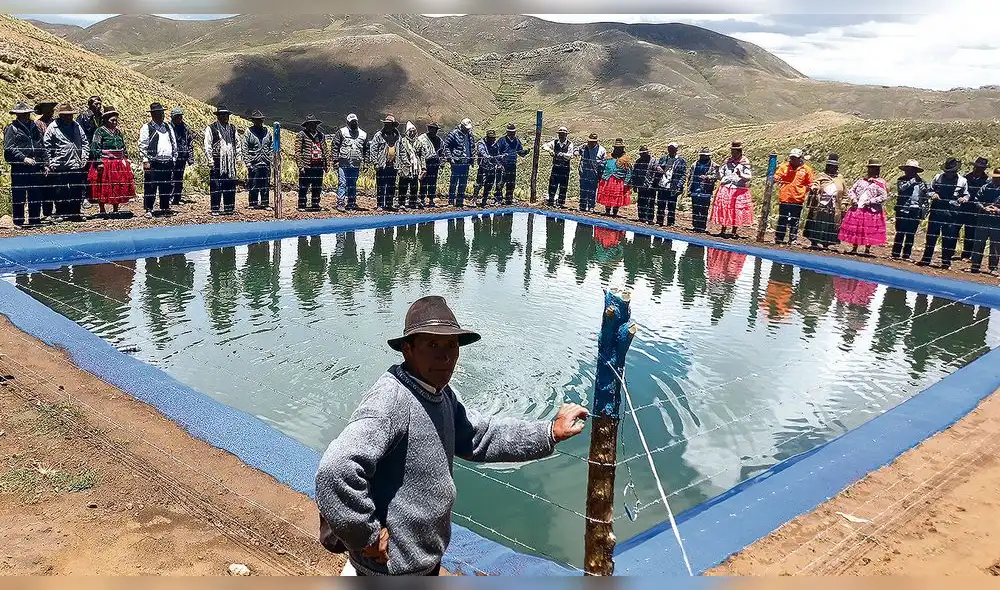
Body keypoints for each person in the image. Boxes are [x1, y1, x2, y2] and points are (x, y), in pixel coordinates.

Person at [315, 296, 588, 576]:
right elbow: (336, 468)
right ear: (408, 350)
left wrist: (549, 432)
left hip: (423, 562)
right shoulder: (392, 400)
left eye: (451, 345)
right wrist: (366, 537)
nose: (445, 356)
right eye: (432, 345)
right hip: (390, 570)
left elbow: (481, 435)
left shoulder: (442, 394)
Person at [918, 158, 969, 269]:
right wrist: (933, 194)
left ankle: (946, 262)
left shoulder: (962, 181)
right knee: (931, 236)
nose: (949, 173)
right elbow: (929, 190)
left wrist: (964, 199)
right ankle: (926, 259)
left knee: (949, 237)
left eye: (951, 171)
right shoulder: (938, 177)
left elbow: (966, 194)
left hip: (952, 212)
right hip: (937, 210)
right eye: (947, 171)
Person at [43, 102, 89, 221]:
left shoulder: (76, 126)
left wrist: (84, 157)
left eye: (70, 115)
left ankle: (75, 213)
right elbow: (46, 146)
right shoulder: (53, 127)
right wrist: (50, 162)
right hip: (59, 163)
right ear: (61, 115)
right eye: (67, 115)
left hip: (76, 162)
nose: (69, 117)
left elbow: (85, 142)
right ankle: (61, 213)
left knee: (76, 189)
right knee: (60, 189)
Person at [4, 100, 47, 228]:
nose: (26, 116)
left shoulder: (34, 127)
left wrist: (45, 163)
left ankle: (35, 220)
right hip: (19, 167)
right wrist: (23, 158)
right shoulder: (12, 128)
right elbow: (9, 147)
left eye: (27, 113)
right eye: (23, 114)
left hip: (35, 165)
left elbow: (41, 145)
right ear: (17, 115)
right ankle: (18, 221)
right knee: (19, 194)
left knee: (36, 193)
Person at [87, 105, 135, 217]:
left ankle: (115, 208)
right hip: (105, 162)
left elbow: (123, 146)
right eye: (112, 120)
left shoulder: (118, 132)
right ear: (106, 120)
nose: (114, 122)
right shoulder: (99, 132)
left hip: (118, 163)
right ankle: (102, 209)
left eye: (116, 120)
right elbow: (95, 146)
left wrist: (126, 159)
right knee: (102, 184)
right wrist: (99, 161)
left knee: (117, 184)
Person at [839, 158, 889, 256]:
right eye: (871, 168)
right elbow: (851, 191)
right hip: (858, 208)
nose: (873, 170)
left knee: (869, 229)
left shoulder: (880, 183)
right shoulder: (861, 181)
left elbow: (883, 196)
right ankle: (854, 248)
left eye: (875, 168)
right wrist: (854, 199)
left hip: (871, 210)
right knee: (857, 229)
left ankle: (867, 249)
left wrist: (871, 202)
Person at [139, 102, 178, 218]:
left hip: (167, 161)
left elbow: (173, 142)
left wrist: (174, 157)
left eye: (162, 113)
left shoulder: (168, 127)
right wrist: (145, 160)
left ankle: (164, 207)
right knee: (151, 186)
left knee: (166, 185)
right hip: (153, 162)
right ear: (153, 115)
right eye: (158, 113)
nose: (161, 115)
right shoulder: (147, 128)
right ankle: (149, 209)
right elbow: (142, 145)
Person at [710, 141, 754, 238]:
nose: (732, 154)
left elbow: (749, 177)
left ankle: (734, 231)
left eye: (734, 152)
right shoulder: (727, 162)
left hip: (738, 189)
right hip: (726, 188)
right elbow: (721, 176)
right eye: (732, 151)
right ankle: (723, 229)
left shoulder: (744, 162)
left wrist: (741, 175)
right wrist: (717, 171)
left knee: (736, 210)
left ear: (739, 152)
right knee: (725, 208)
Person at [204, 107, 242, 216]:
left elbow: (237, 143)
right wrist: (210, 159)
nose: (225, 117)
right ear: (218, 116)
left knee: (230, 184)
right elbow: (207, 145)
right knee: (216, 185)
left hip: (230, 161)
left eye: (226, 115)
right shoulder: (211, 128)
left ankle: (229, 208)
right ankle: (215, 208)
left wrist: (238, 157)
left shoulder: (232, 128)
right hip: (216, 161)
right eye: (223, 115)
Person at [803, 154, 845, 250]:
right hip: (821, 204)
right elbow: (815, 183)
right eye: (831, 166)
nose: (833, 168)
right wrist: (815, 187)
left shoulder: (840, 179)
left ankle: (826, 243)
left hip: (834, 206)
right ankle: (815, 242)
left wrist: (844, 204)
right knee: (818, 223)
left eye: (835, 167)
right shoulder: (821, 176)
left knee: (830, 224)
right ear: (827, 166)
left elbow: (845, 193)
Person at [773, 148, 814, 244]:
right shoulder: (784, 167)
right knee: (782, 218)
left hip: (797, 199)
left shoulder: (806, 170)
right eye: (791, 158)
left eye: (795, 158)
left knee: (795, 220)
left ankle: (793, 239)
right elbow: (777, 176)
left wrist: (803, 191)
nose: (792, 160)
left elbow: (811, 183)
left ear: (800, 158)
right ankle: (779, 238)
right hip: (785, 197)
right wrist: (777, 180)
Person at [891, 159, 929, 260]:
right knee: (900, 232)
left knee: (911, 234)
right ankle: (895, 253)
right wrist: (911, 182)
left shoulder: (922, 182)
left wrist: (924, 209)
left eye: (912, 169)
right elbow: (901, 189)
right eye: (908, 169)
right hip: (903, 209)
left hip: (915, 210)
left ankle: (906, 255)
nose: (909, 171)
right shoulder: (901, 179)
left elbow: (926, 195)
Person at [332, 113, 367, 212]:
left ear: (357, 122)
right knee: (342, 183)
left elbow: (366, 150)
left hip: (356, 164)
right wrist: (335, 160)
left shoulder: (363, 134)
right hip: (343, 163)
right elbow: (335, 146)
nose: (353, 123)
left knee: (353, 184)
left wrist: (366, 163)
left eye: (355, 122)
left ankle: (351, 203)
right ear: (347, 123)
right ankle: (340, 203)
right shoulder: (341, 132)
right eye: (351, 122)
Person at [970, 168, 1000, 274]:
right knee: (978, 243)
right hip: (983, 219)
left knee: (995, 245)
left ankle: (993, 268)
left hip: (997, 222)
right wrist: (983, 208)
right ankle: (975, 265)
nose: (996, 179)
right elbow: (976, 200)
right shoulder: (985, 187)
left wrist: (998, 210)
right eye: (995, 177)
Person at [296, 114, 328, 212]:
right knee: (303, 187)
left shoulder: (321, 135)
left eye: (314, 124)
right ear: (307, 125)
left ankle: (315, 204)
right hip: (306, 165)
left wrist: (326, 164)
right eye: (310, 124)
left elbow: (325, 149)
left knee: (317, 186)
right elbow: (298, 151)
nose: (313, 125)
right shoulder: (301, 135)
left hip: (318, 165)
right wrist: (300, 165)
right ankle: (302, 205)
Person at [242, 109, 273, 210]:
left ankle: (265, 203)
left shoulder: (268, 131)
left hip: (265, 162)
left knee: (265, 184)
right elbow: (244, 147)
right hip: (254, 162)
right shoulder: (248, 132)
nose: (258, 121)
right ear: (253, 121)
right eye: (256, 120)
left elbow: (271, 146)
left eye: (260, 120)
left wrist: (270, 159)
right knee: (253, 184)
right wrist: (247, 162)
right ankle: (253, 203)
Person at [959, 157, 989, 260]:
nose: (978, 169)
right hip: (963, 207)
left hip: (976, 209)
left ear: (984, 169)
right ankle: (950, 252)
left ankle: (967, 254)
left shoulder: (986, 181)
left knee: (971, 232)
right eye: (977, 167)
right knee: (955, 229)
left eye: (981, 167)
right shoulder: (966, 178)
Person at [370, 114, 401, 211]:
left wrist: (402, 163)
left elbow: (401, 150)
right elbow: (373, 149)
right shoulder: (378, 135)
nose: (387, 126)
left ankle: (389, 204)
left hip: (393, 165)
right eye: (386, 124)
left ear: (393, 126)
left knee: (391, 186)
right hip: (382, 165)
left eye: (389, 124)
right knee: (381, 185)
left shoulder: (397, 137)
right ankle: (380, 204)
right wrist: (375, 162)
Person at [76, 95, 102, 207]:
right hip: (86, 148)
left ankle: (95, 195)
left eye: (100, 103)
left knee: (97, 172)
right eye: (96, 104)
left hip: (98, 148)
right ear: (90, 105)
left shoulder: (101, 116)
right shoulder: (83, 117)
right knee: (85, 173)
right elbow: (79, 133)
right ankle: (84, 198)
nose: (99, 106)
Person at [652, 142, 687, 226]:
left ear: (676, 150)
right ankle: (659, 221)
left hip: (673, 186)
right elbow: (656, 166)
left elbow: (683, 174)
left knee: (672, 205)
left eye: (673, 149)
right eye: (670, 148)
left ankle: (670, 223)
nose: (671, 150)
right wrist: (658, 168)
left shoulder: (681, 161)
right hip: (662, 184)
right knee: (661, 204)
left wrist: (679, 185)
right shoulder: (663, 158)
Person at [495, 123, 530, 205]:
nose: (512, 134)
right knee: (500, 182)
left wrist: (525, 152)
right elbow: (496, 153)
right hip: (502, 165)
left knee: (511, 183)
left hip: (512, 165)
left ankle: (509, 199)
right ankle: (498, 198)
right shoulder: (502, 140)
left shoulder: (517, 141)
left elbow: (520, 152)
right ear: (507, 132)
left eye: (513, 132)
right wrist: (499, 164)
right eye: (510, 132)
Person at [34, 100, 57, 220]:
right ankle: (47, 212)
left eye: (51, 109)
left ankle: (56, 210)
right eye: (47, 109)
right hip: (44, 156)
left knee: (56, 186)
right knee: (46, 186)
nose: (50, 112)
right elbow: (39, 142)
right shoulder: (38, 124)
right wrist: (44, 162)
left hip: (56, 156)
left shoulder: (55, 122)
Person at [596, 138, 631, 217]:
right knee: (607, 195)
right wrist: (601, 176)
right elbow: (602, 167)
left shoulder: (625, 159)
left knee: (617, 196)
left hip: (619, 180)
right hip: (607, 179)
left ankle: (615, 212)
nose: (617, 149)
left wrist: (626, 182)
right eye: (616, 148)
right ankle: (607, 211)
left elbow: (629, 172)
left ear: (622, 148)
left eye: (619, 148)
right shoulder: (609, 157)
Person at [168, 107, 196, 206]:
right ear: (173, 117)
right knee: (171, 177)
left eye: (180, 116)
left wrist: (190, 158)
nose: (179, 118)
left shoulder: (185, 128)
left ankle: (177, 198)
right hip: (172, 157)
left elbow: (190, 143)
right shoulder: (168, 128)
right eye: (177, 116)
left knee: (179, 178)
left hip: (182, 157)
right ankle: (169, 198)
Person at [541, 126, 574, 208]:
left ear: (566, 135)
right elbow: (544, 146)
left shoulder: (570, 144)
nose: (561, 135)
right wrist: (550, 150)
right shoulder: (555, 142)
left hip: (565, 168)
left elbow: (570, 155)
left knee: (563, 185)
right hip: (555, 167)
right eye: (560, 134)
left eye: (563, 134)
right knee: (552, 184)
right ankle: (551, 201)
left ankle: (561, 203)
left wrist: (561, 155)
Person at [445, 118, 475, 207]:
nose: (467, 130)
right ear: (462, 126)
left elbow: (472, 146)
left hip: (466, 162)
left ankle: (460, 201)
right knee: (453, 182)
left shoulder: (470, 134)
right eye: (466, 128)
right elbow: (447, 146)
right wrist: (450, 158)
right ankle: (451, 201)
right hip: (457, 161)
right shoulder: (454, 134)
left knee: (463, 183)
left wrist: (472, 158)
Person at [688, 147, 717, 233]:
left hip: (706, 191)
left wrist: (708, 177)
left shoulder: (714, 165)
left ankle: (702, 227)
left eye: (705, 155)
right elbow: (690, 177)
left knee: (704, 209)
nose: (703, 157)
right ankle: (695, 226)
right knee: (695, 208)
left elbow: (716, 176)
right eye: (702, 155)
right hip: (695, 189)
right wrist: (689, 188)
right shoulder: (694, 165)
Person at [415, 122, 444, 208]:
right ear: (428, 129)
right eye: (431, 129)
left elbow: (442, 152)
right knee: (423, 181)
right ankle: (422, 199)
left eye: (435, 129)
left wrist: (442, 162)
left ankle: (431, 199)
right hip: (425, 162)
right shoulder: (422, 138)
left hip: (434, 163)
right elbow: (417, 151)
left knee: (433, 182)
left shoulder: (439, 140)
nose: (433, 131)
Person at [577, 133, 606, 212]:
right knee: (583, 190)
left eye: (593, 142)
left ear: (596, 142)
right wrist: (576, 153)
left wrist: (600, 171)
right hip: (584, 172)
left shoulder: (601, 150)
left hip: (594, 173)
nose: (590, 143)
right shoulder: (584, 147)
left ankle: (591, 206)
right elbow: (576, 150)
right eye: (590, 141)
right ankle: (582, 206)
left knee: (592, 191)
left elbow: (604, 162)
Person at [472, 129, 502, 207]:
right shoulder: (481, 143)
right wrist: (486, 156)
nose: (492, 139)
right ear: (487, 137)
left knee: (489, 185)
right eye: (491, 138)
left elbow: (497, 154)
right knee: (479, 184)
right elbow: (481, 151)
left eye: (493, 138)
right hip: (483, 167)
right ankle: (474, 199)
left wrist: (500, 160)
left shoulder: (495, 144)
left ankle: (484, 201)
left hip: (492, 167)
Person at [397, 122, 422, 209]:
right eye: (410, 131)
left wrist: (423, 167)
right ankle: (401, 203)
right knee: (403, 186)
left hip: (415, 167)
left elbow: (421, 155)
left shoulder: (418, 142)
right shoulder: (402, 141)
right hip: (405, 167)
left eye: (414, 131)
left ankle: (413, 202)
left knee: (414, 186)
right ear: (407, 132)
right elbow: (400, 154)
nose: (412, 133)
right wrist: (405, 163)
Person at [631, 146, 655, 223]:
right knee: (641, 201)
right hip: (641, 185)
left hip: (651, 186)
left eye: (644, 153)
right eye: (641, 154)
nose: (642, 155)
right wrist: (634, 185)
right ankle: (641, 217)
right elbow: (634, 173)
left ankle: (649, 219)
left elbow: (655, 173)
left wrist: (652, 183)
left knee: (650, 202)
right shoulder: (638, 161)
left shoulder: (653, 161)